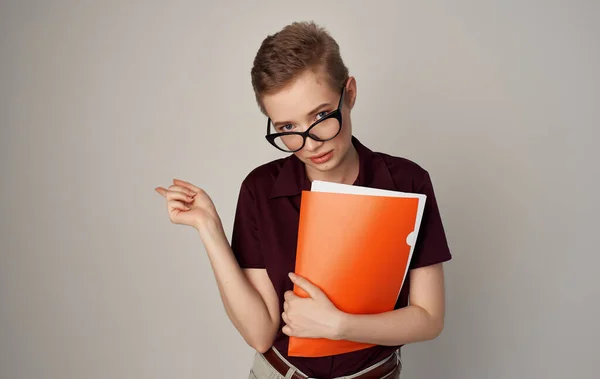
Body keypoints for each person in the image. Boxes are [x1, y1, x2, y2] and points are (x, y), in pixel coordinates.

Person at [155, 21, 452, 379]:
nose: (309, 143)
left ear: (350, 93)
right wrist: (209, 228)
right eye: (287, 128)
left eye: (321, 116)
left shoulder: (408, 182)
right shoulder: (259, 189)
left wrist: (339, 325)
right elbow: (260, 332)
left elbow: (429, 318)